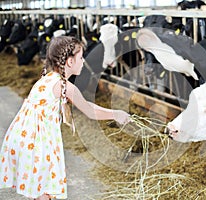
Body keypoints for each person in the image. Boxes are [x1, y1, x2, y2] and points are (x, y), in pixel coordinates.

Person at [0, 36, 131, 200]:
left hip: (22, 139)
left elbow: (87, 105)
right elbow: (89, 110)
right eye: (81, 57)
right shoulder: (65, 86)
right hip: (36, 144)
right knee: (45, 191)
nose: (83, 61)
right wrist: (116, 114)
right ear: (70, 61)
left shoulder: (47, 79)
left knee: (41, 190)